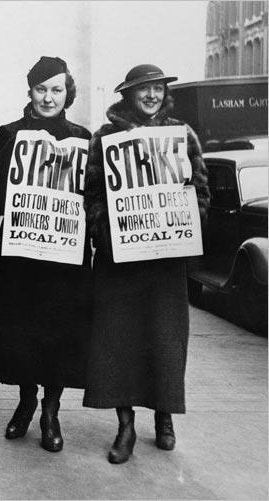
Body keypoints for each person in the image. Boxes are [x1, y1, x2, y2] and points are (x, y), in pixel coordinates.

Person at [82, 64, 210, 464]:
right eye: (144, 90)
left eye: (157, 89)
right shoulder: (106, 139)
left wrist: (188, 219)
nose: (152, 95)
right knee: (119, 344)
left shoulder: (182, 135)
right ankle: (126, 427)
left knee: (165, 341)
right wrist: (106, 228)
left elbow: (202, 191)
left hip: (165, 264)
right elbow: (90, 195)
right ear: (128, 95)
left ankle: (164, 418)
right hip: (120, 263)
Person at [0, 56, 92, 453]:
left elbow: (93, 198)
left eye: (57, 90)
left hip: (66, 258)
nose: (48, 97)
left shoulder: (85, 139)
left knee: (60, 333)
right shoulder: (9, 134)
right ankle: (26, 401)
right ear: (29, 91)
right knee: (22, 331)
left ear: (68, 93)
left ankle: (50, 410)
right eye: (41, 89)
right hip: (21, 255)